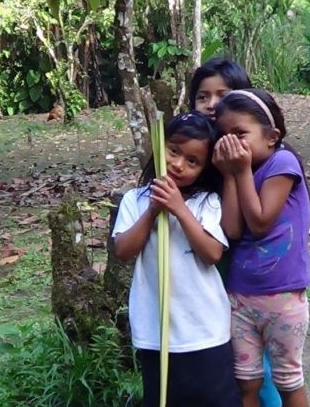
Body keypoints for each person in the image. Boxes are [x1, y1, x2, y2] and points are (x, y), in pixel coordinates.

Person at [112, 111, 241, 407]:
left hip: (205, 330)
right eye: (174, 151)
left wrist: (180, 209)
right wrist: (154, 211)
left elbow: (211, 254)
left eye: (192, 161)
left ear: (203, 169)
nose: (178, 164)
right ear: (160, 146)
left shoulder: (207, 201)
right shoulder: (135, 199)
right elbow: (123, 251)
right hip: (155, 332)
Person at [189, 57, 283, 407]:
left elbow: (234, 229)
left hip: (246, 273)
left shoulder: (261, 157)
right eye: (202, 96)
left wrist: (231, 171)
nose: (212, 104)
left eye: (222, 94)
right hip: (201, 274)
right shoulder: (188, 151)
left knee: (259, 365)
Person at [214, 89, 310, 407]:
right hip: (241, 297)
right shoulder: (241, 171)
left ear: (271, 136)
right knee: (247, 382)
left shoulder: (282, 162)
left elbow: (259, 223)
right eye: (224, 135)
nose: (231, 143)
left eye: (240, 134)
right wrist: (231, 174)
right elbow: (232, 229)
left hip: (283, 297)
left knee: (288, 381)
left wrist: (239, 171)